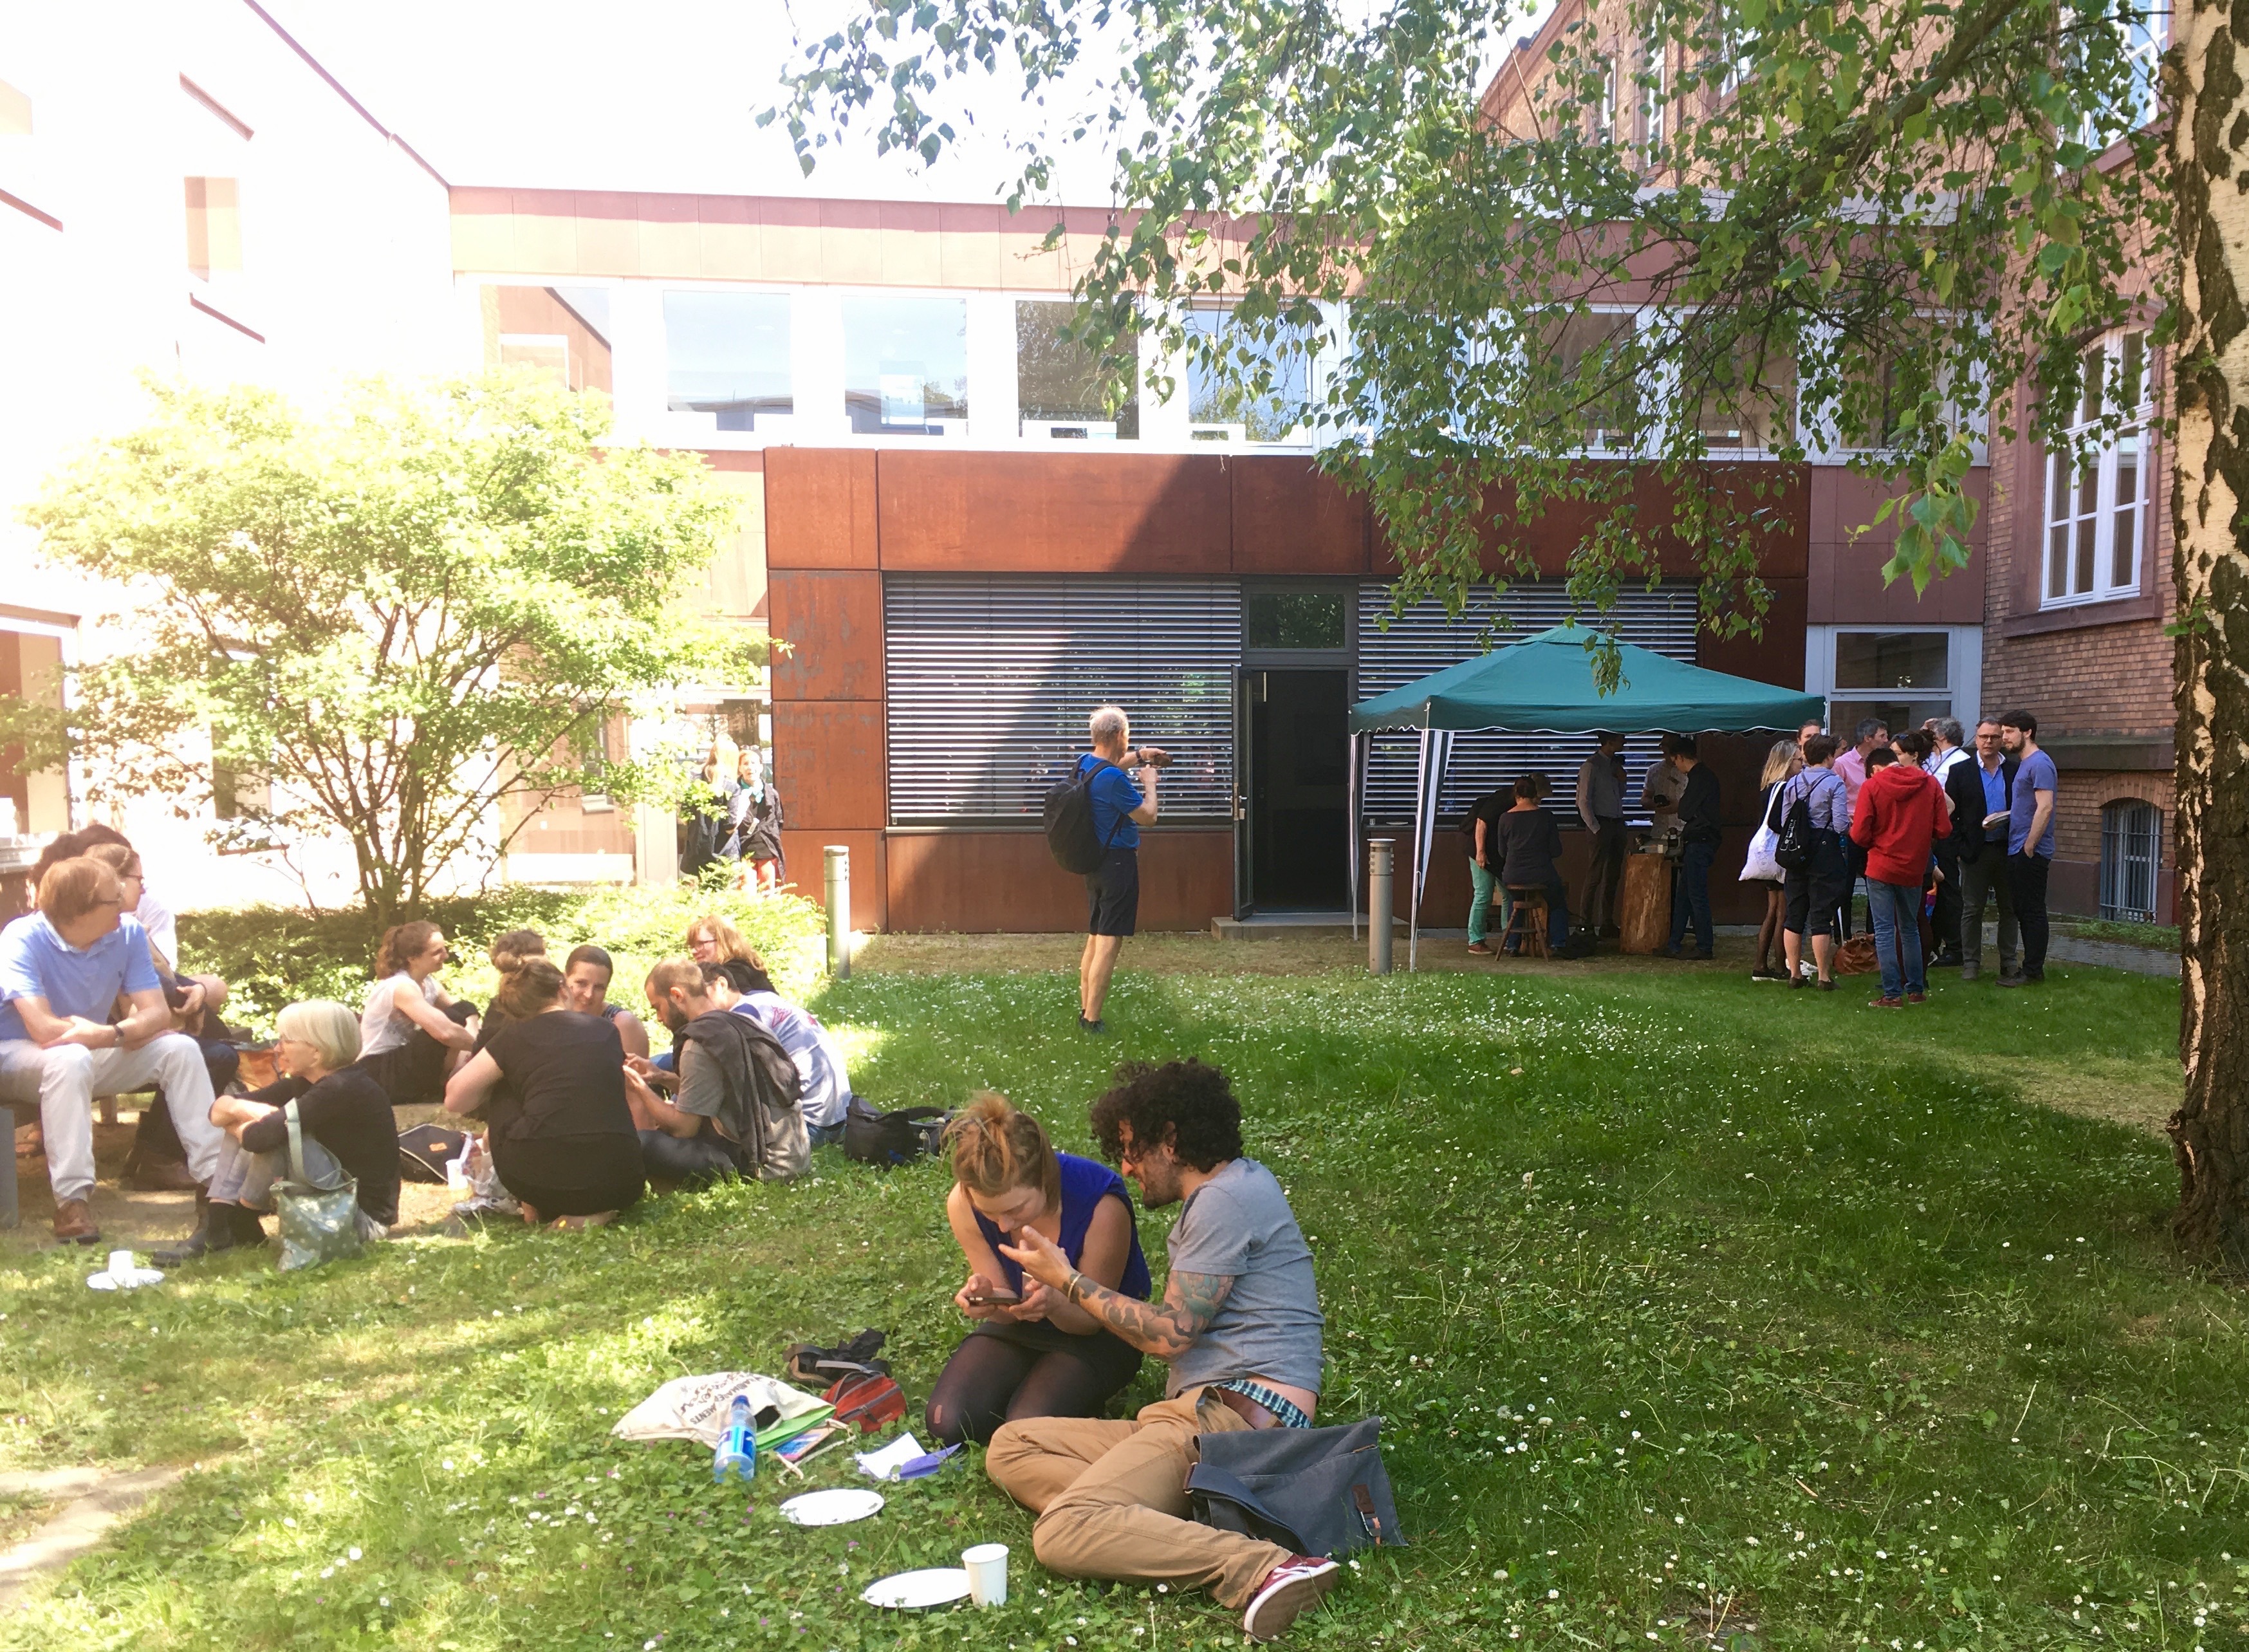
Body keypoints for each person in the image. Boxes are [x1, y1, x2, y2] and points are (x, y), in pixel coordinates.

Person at [983, 1060, 1340, 1643]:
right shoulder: (1235, 1188)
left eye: (1131, 1149)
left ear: (1170, 1139)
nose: (1125, 1166)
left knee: (1062, 1530)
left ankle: (1264, 1566)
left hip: (1234, 1418)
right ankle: (1158, 1517)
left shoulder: (1224, 1199)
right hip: (1194, 1414)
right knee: (1011, 1444)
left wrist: (1068, 1279)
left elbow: (1169, 1335)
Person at [0, 857, 225, 1243]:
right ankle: (72, 1201)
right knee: (69, 1058)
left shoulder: (127, 933)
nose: (126, 902)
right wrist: (116, 1034)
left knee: (179, 1049)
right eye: (114, 897)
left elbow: (157, 1013)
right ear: (81, 908)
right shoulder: (22, 937)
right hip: (16, 1054)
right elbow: (43, 1029)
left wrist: (113, 1033)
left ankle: (217, 1186)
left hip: (85, 1048)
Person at [925, 1095, 1152, 1447]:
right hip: (1022, 1328)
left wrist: (1056, 1303)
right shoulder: (963, 1203)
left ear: (1045, 1178)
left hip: (1100, 1331)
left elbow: (1092, 1321)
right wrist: (989, 1300)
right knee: (946, 1421)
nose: (1003, 1225)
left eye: (1015, 1210)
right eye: (989, 1213)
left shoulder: (1101, 1205)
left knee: (1027, 1433)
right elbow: (1006, 1310)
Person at [156, 999, 396, 1263]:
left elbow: (258, 1139)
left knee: (283, 1136)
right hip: (331, 1202)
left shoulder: (342, 1088)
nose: (278, 1048)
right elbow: (217, 1112)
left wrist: (251, 1120)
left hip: (356, 1218)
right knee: (269, 1126)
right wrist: (246, 1111)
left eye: (286, 1040)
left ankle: (232, 1223)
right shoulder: (305, 1083)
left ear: (317, 1052)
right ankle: (222, 1225)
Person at [80, 842, 239, 1192]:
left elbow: (163, 981)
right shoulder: (112, 931)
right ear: (115, 882)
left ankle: (153, 1154)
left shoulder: (128, 928)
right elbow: (137, 1000)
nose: (143, 889)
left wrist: (197, 991)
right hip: (105, 1043)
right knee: (216, 1056)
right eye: (139, 880)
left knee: (212, 1050)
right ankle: (159, 1158)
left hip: (127, 1036)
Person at [444, 958, 643, 1225]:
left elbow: (455, 1100)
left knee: (502, 1085)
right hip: (623, 1179)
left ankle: (533, 1207)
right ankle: (593, 1213)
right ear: (563, 989)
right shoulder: (607, 1029)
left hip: (538, 1178)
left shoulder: (514, 1035)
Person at [624, 960, 808, 1185]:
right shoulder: (744, 1022)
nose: (659, 1018)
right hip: (794, 1157)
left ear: (677, 995)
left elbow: (684, 1129)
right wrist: (661, 1077)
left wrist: (640, 1088)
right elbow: (713, 1092)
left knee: (641, 1142)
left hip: (763, 1168)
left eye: (657, 1007)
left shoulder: (699, 1044)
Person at [1850, 728, 1950, 1007]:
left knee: (1885, 930)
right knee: (1910, 928)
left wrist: (1875, 841)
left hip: (1881, 866)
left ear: (1874, 769)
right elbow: (1944, 829)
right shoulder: (1930, 784)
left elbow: (1859, 834)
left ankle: (1892, 994)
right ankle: (1916, 990)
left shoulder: (1872, 786)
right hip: (1914, 866)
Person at [1076, 706, 1159, 1034]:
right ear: (1117, 735)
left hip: (1095, 862)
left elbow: (1109, 769)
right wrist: (1150, 783)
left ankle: (1086, 1010)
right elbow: (1148, 817)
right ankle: (1093, 1021)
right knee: (1109, 942)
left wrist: (1141, 756)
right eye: (1127, 734)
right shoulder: (1113, 780)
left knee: (1096, 937)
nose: (1128, 739)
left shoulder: (1085, 764)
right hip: (1118, 865)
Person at [716, 961, 855, 1148]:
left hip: (809, 1126)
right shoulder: (766, 999)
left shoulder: (743, 1015)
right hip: (842, 1118)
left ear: (722, 986)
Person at [355, 920, 478, 1108]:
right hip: (379, 1070)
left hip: (401, 1063)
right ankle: (443, 1085)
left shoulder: (429, 984)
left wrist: (474, 1024)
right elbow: (445, 1033)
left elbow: (464, 1008)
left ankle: (447, 1081)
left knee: (459, 1014)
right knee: (451, 1022)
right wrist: (486, 1049)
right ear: (413, 958)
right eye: (437, 952)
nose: (446, 955)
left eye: (444, 949)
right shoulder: (400, 987)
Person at [1947, 719, 2019, 983]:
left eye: (1994, 737)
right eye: (1983, 737)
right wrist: (1959, 847)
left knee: (2009, 909)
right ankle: (1971, 963)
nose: (1988, 742)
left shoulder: (2014, 770)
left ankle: (2009, 962)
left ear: (2001, 739)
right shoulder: (1961, 771)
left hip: (2007, 849)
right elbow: (1950, 813)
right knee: (1972, 909)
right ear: (1976, 739)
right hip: (1974, 851)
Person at [1778, 734, 1851, 991]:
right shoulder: (1835, 783)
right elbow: (1840, 824)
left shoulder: (1793, 783)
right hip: (1824, 850)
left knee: (1794, 913)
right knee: (1821, 913)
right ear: (1829, 756)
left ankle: (1795, 973)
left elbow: (1785, 821)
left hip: (1796, 851)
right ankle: (1823, 976)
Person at [1999, 709, 2057, 988]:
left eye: (2009, 732)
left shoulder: (2040, 763)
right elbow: (2027, 806)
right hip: (2018, 846)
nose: (2004, 737)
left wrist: (2030, 845)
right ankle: (2031, 968)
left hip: (2030, 850)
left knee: (2032, 911)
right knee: (2022, 910)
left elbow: (2045, 807)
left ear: (2027, 732)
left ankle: (2033, 970)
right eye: (2003, 732)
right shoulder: (2025, 763)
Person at [1493, 774, 1573, 955]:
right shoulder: (1546, 816)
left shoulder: (1505, 818)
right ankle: (1558, 942)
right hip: (1542, 874)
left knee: (1516, 900)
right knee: (1557, 902)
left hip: (1513, 875)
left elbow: (1502, 852)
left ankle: (1513, 944)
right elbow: (1556, 851)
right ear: (1535, 793)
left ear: (1516, 794)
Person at [1746, 739, 1802, 981]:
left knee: (1772, 911)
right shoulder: (1784, 788)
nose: (1802, 764)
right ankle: (1781, 966)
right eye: (1799, 760)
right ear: (1787, 762)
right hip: (1780, 856)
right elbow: (1777, 823)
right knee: (1783, 913)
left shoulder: (1768, 787)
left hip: (1767, 857)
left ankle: (1761, 964)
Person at [1661, 735, 1721, 960]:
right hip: (1701, 841)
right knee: (1684, 895)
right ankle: (1674, 942)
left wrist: (1683, 807)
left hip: (1700, 841)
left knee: (1696, 896)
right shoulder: (1705, 777)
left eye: (1675, 761)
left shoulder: (1700, 778)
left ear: (1680, 757)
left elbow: (1685, 811)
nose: (1675, 766)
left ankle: (1705, 945)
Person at [1831, 719, 1889, 939]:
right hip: (1851, 831)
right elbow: (1835, 797)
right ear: (1868, 738)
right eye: (1882, 736)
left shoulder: (1885, 764)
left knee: (1876, 884)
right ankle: (1843, 937)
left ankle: (1874, 936)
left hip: (1876, 832)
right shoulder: (1843, 764)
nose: (1886, 740)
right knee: (1845, 885)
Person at [1923, 718, 1971, 967]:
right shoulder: (1933, 759)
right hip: (1930, 832)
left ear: (1941, 737)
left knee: (1949, 888)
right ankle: (1932, 941)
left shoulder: (1960, 761)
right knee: (1933, 888)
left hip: (1948, 832)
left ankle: (1955, 946)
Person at [1574, 731, 1629, 944]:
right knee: (1595, 874)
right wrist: (1595, 828)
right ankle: (1585, 922)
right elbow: (1583, 800)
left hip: (1617, 821)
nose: (1624, 742)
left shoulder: (1615, 765)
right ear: (1610, 741)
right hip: (1601, 822)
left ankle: (1607, 922)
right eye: (1621, 739)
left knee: (1613, 874)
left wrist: (1622, 780)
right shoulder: (1592, 766)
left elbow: (1619, 795)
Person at [562, 944, 651, 1060]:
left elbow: (634, 1071)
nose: (589, 995)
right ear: (564, 979)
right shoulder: (551, 1015)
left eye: (599, 987)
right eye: (582, 983)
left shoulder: (622, 1025)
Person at [1463, 782, 1510, 957]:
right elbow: (1481, 823)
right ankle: (1475, 940)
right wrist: (1480, 852)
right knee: (1483, 894)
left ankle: (1508, 937)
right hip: (1483, 852)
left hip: (1494, 855)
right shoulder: (1501, 801)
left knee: (1506, 894)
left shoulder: (1502, 799)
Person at [731, 748, 786, 893]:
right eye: (746, 764)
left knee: (767, 894)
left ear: (761, 767)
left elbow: (779, 821)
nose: (750, 767)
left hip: (767, 850)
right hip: (744, 851)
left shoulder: (772, 794)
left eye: (754, 763)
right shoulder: (734, 794)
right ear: (740, 768)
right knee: (747, 895)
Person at [684, 913, 773, 997]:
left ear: (722, 942)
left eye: (700, 944)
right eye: (692, 946)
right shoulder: (747, 968)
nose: (693, 951)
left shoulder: (732, 973)